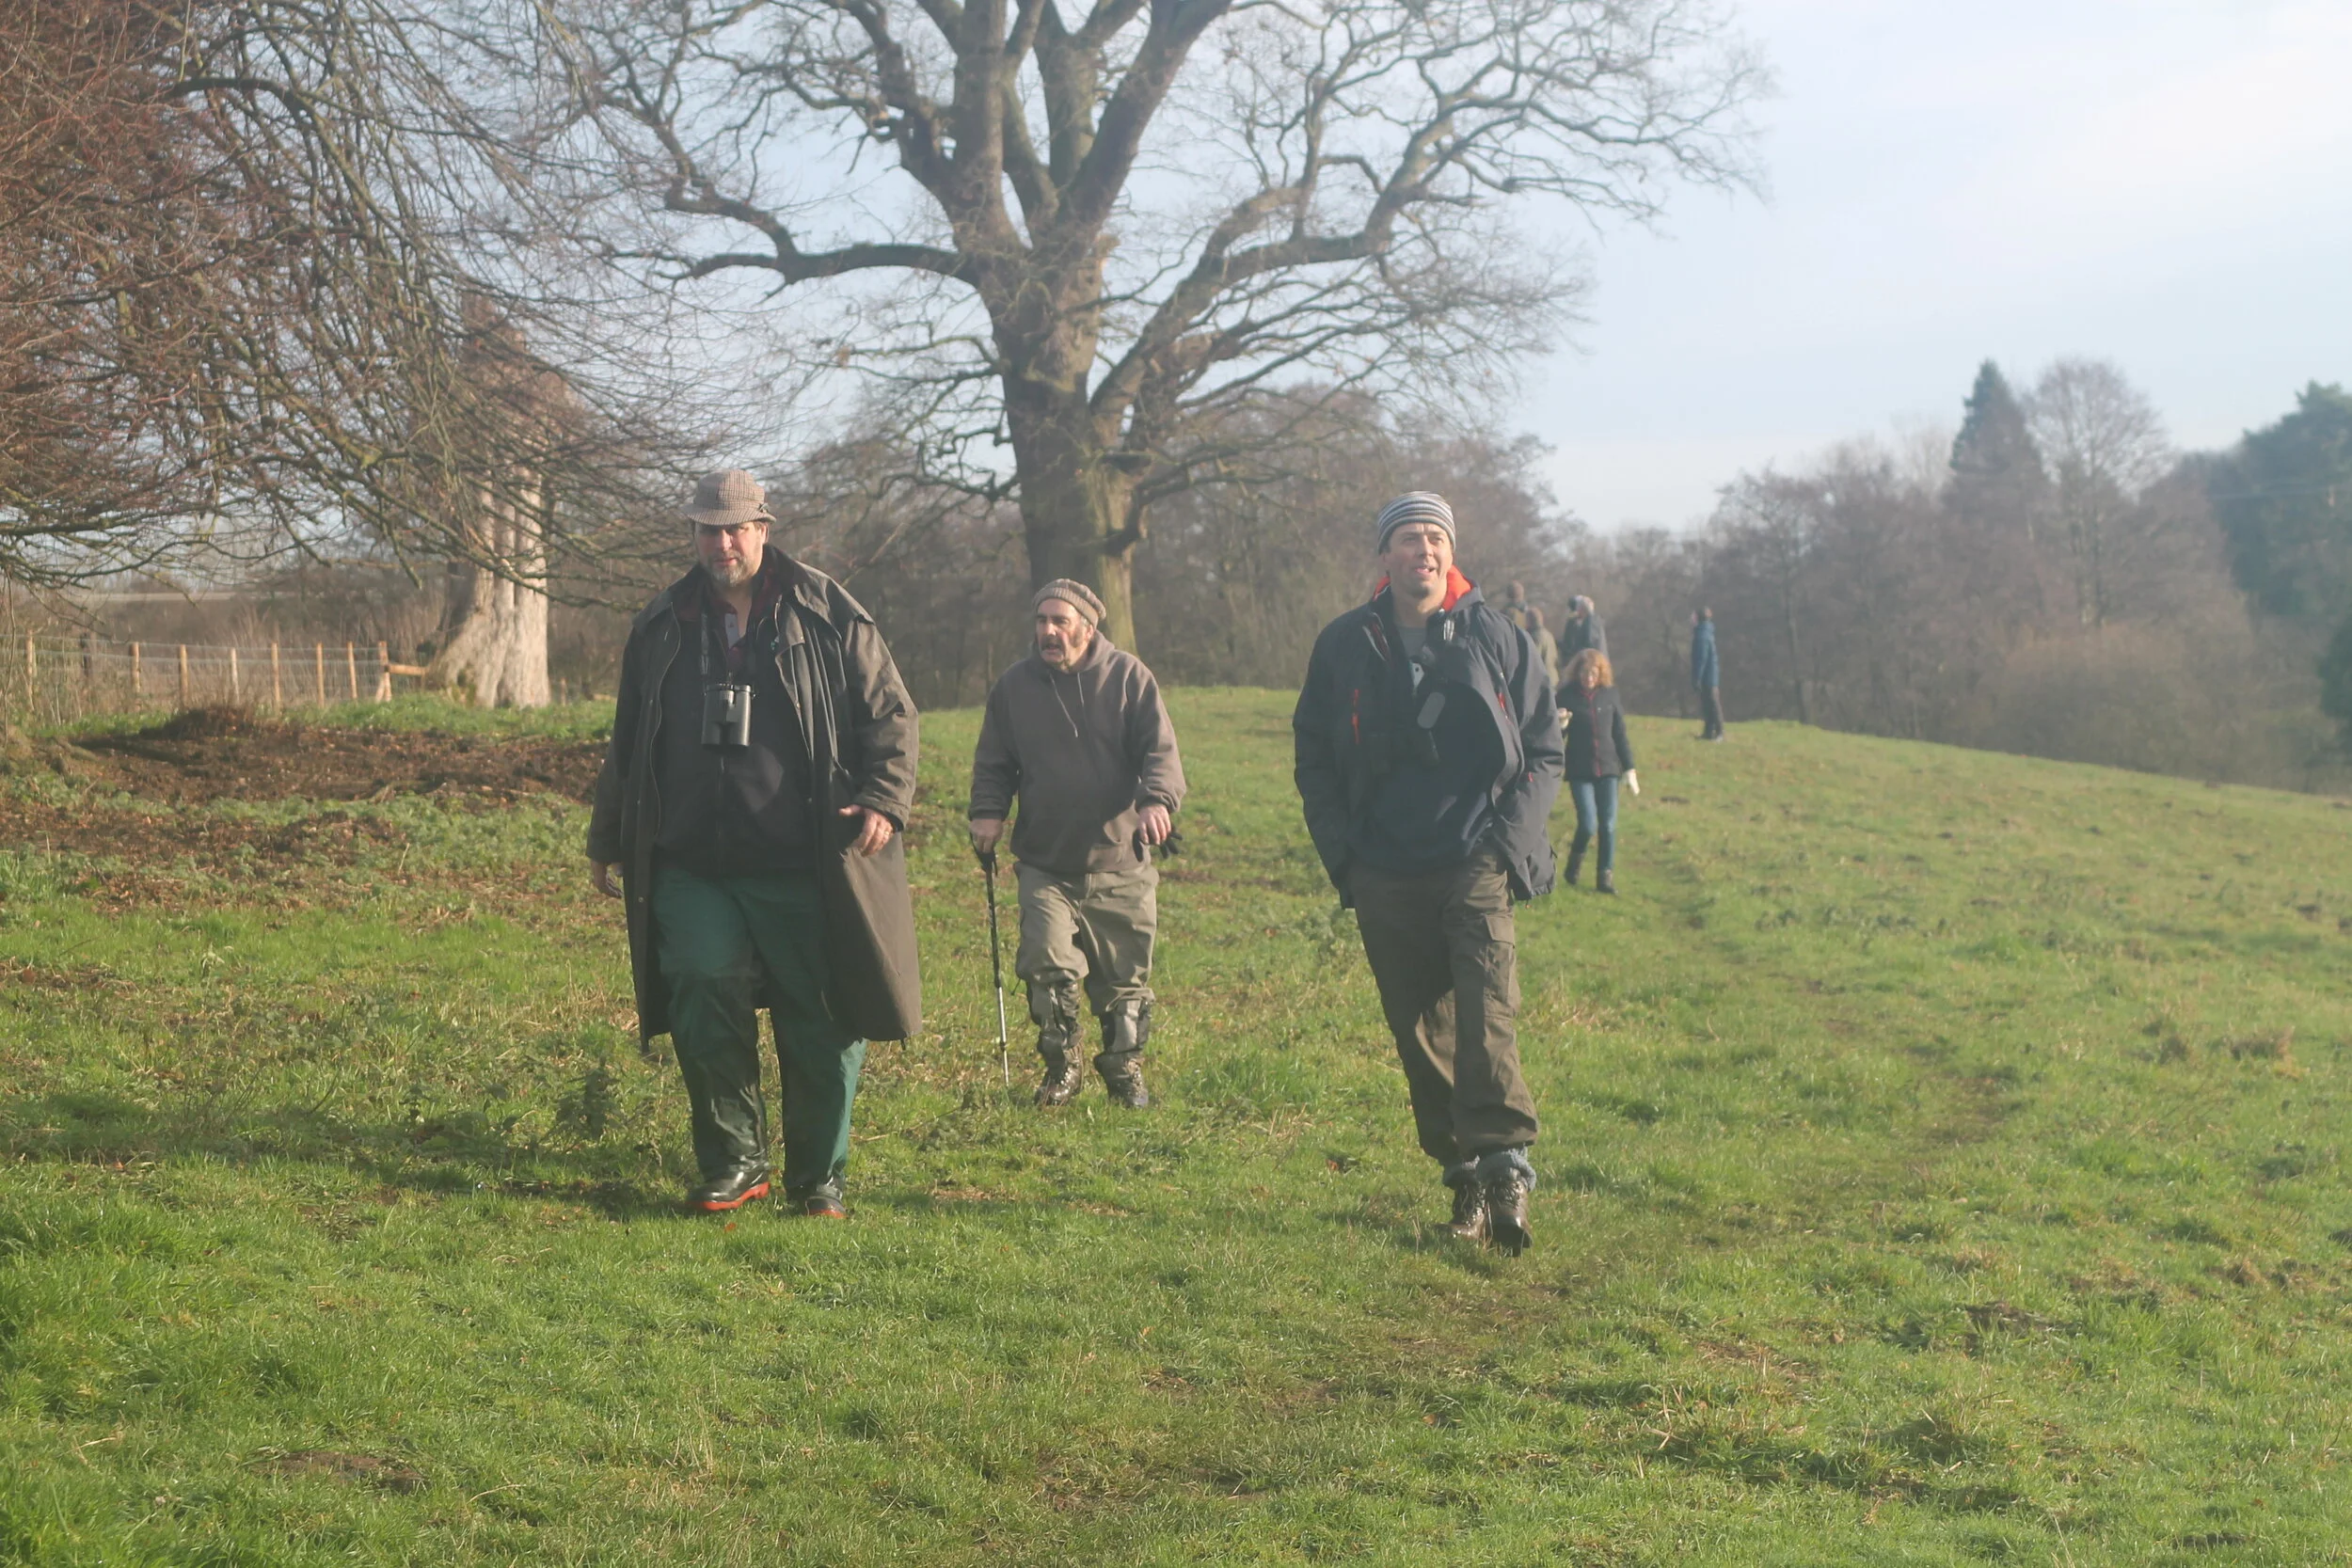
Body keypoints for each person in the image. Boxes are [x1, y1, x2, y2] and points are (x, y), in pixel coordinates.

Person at [587, 469, 921, 1217]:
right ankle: (736, 1162)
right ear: (694, 535)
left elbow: (891, 715)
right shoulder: (662, 622)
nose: (723, 542)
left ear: (764, 529)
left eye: (736, 528)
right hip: (693, 861)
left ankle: (817, 1177)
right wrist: (607, 837)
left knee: (824, 1017)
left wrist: (884, 799)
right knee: (701, 990)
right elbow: (629, 740)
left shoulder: (828, 611)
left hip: (807, 859)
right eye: (709, 529)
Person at [1293, 492, 1564, 1255]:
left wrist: (1509, 843)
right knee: (1419, 1031)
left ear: (1452, 552)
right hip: (1381, 864)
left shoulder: (1498, 638)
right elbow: (1311, 752)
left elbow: (1544, 749)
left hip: (1475, 855)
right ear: (1384, 556)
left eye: (1436, 538)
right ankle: (1465, 1171)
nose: (1424, 550)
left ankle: (1508, 1163)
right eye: (1409, 538)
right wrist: (1342, 854)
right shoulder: (1344, 643)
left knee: (1487, 1013)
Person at [969, 580, 1185, 1108]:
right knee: (1047, 967)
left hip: (1120, 862)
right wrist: (987, 813)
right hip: (1046, 862)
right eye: (1041, 620)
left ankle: (1124, 1072)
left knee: (1125, 982)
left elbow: (1160, 754)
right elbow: (994, 761)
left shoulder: (1130, 678)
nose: (1047, 631)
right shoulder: (1014, 688)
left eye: (1059, 621)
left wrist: (1157, 802)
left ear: (1088, 628)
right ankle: (1061, 1070)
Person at [1559, 647, 1637, 894]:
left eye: (1593, 673)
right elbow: (1552, 736)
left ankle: (1605, 879)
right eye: (1584, 672)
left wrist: (1630, 769)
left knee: (1609, 825)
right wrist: (1560, 723)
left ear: (1601, 673)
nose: (1589, 677)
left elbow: (1620, 733)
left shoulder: (1610, 696)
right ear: (1577, 672)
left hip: (1609, 768)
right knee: (1588, 824)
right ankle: (1573, 865)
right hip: (1580, 770)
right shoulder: (1565, 696)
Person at [1691, 608, 1724, 740]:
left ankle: (1720, 732)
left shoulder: (1702, 635)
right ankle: (1708, 732)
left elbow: (1701, 659)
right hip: (1709, 675)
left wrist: (1697, 678)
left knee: (1713, 704)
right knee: (1706, 704)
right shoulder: (1704, 632)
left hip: (1708, 676)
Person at [1559, 594, 1607, 661]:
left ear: (1581, 609)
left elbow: (1590, 647)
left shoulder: (1590, 623)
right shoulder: (1592, 622)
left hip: (1592, 665)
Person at [1524, 605, 1561, 689]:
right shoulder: (1548, 634)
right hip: (1553, 677)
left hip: (1542, 680)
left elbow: (1534, 660)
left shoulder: (1535, 637)